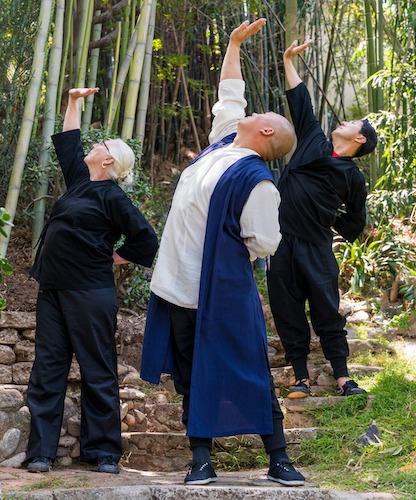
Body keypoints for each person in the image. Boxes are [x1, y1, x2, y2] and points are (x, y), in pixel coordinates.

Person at [140, 19, 305, 487]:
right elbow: (230, 94)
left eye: (259, 114)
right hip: (178, 284)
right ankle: (201, 461)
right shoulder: (224, 142)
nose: (251, 112)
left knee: (248, 366)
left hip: (220, 291)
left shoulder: (257, 181)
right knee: (191, 376)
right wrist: (233, 44)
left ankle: (278, 459)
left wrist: (230, 264)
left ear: (268, 132)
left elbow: (265, 242)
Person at [26, 88, 159, 474]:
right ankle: (41, 452)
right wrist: (72, 102)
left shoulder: (112, 196)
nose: (92, 144)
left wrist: (116, 257)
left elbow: (145, 238)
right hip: (52, 290)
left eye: (99, 143)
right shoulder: (80, 183)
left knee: (97, 369)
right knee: (47, 369)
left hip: (89, 292)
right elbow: (68, 144)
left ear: (108, 159)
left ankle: (103, 453)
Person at [267, 40, 378, 399]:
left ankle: (343, 378)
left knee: (327, 311)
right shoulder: (314, 140)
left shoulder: (353, 178)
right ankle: (300, 377)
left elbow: (355, 223)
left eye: (350, 122)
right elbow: (301, 101)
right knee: (286, 311)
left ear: (359, 138)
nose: (341, 121)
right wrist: (287, 60)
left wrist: (332, 224)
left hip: (316, 247)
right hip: (281, 242)